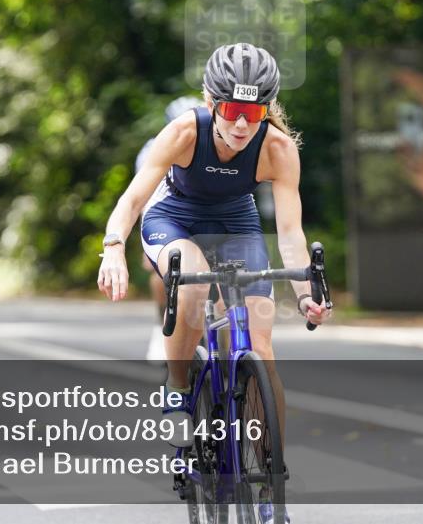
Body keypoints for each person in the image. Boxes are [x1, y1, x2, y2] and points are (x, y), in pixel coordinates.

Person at [98, 43, 332, 523]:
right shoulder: (185, 131)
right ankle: (180, 388)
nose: (242, 124)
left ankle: (270, 482)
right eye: (232, 111)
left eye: (253, 112)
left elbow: (290, 234)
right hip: (174, 218)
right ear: (211, 103)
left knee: (260, 351)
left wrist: (306, 294)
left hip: (235, 222)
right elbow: (134, 196)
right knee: (193, 282)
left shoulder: (278, 149)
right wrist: (113, 247)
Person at [135, 95, 205, 362]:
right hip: (166, 212)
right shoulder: (154, 149)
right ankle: (162, 318)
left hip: (204, 215)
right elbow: (146, 193)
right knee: (160, 271)